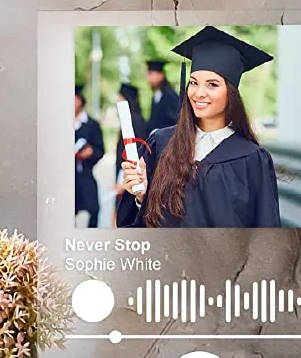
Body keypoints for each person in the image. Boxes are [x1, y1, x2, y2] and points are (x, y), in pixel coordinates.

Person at [117, 27, 282, 228]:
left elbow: (265, 232)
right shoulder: (161, 143)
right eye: (194, 83)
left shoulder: (251, 159)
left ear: (231, 93)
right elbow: (141, 226)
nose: (199, 93)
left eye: (212, 85)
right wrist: (141, 196)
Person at [112, 82, 149, 225]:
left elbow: (135, 153)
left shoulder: (136, 121)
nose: (117, 101)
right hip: (126, 176)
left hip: (131, 177)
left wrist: (122, 179)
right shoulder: (134, 119)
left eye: (120, 97)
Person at [73, 87, 105, 228]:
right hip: (66, 177)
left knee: (93, 209)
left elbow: (100, 149)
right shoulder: (59, 124)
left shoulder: (91, 124)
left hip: (85, 172)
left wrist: (90, 153)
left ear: (81, 100)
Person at [145, 59, 180, 136]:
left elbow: (174, 120)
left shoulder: (170, 96)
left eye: (150, 74)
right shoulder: (156, 94)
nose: (148, 79)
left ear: (160, 75)